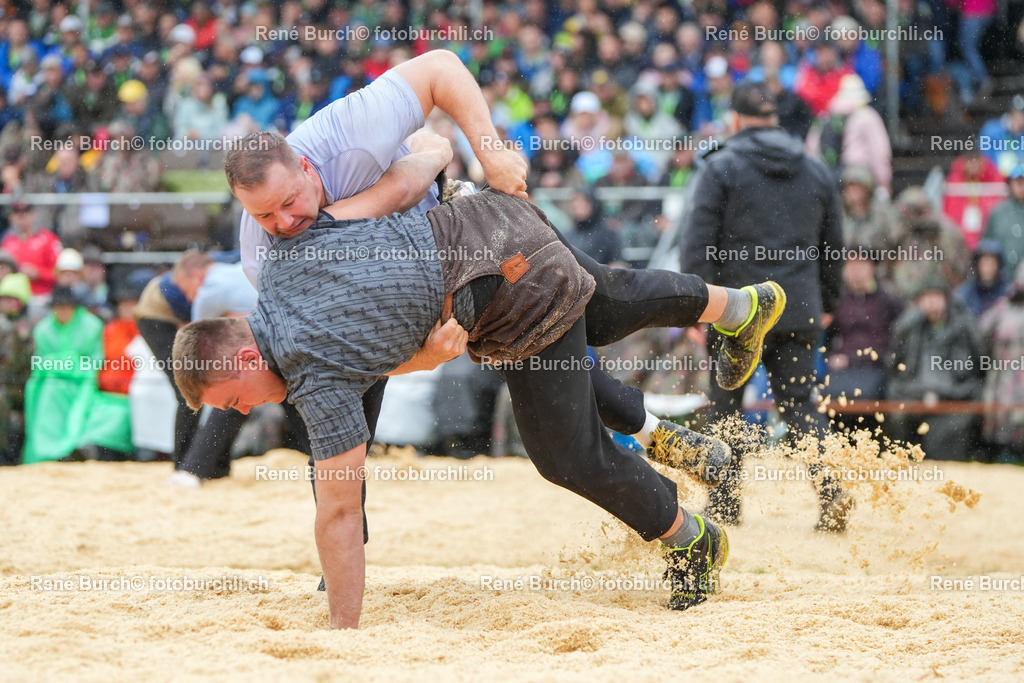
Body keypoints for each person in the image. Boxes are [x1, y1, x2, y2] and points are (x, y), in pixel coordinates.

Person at [173, 187, 789, 628]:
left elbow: (337, 510)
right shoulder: (284, 260)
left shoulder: (313, 375)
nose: (243, 411)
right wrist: (454, 169)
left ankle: (689, 539)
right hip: (490, 218)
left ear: (246, 358)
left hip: (509, 291)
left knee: (565, 454)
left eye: (233, 400)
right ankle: (738, 309)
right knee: (602, 304)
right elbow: (396, 186)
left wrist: (341, 628)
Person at [678, 80, 852, 531]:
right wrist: (827, 302)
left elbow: (697, 243)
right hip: (797, 307)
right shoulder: (815, 169)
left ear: (734, 119)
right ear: (774, 118)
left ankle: (726, 507)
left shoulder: (720, 168)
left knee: (725, 404)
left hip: (737, 309)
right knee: (799, 405)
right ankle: (832, 491)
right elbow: (834, 244)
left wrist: (699, 305)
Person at [887, 275, 986, 462]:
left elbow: (977, 364)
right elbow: (894, 364)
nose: (931, 303)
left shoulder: (964, 325)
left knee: (951, 428)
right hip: (913, 392)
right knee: (899, 417)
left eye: (936, 296)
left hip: (954, 394)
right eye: (927, 297)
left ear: (946, 299)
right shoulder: (908, 326)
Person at [22, 285, 104, 464]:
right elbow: (39, 363)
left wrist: (68, 364)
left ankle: (73, 446)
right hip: (52, 381)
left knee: (83, 404)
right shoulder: (43, 330)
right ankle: (50, 450)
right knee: (47, 393)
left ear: (74, 308)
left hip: (83, 381)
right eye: (58, 307)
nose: (63, 311)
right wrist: (68, 362)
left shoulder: (92, 326)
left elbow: (96, 360)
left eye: (67, 307)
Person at [982, 164, 1024, 275]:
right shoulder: (998, 212)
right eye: (1017, 182)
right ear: (1010, 184)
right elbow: (986, 244)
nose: (1021, 186)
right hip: (1002, 278)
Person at [955, 240, 1009, 318]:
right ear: (977, 266)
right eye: (984, 263)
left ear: (998, 266)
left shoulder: (1008, 293)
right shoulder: (964, 295)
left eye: (992, 263)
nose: (988, 268)